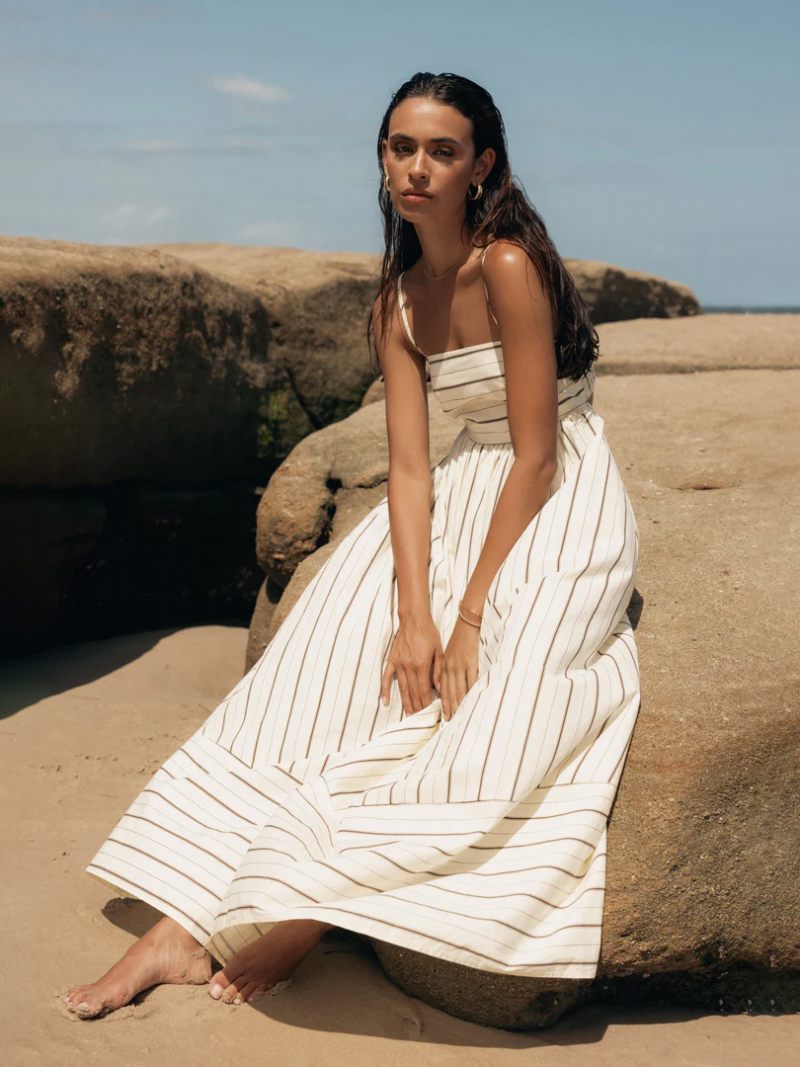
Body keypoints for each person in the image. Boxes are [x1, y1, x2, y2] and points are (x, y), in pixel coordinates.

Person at [63, 71, 640, 1020]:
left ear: (481, 166)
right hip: (458, 486)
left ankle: (304, 909)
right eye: (400, 147)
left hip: (555, 493)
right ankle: (181, 923)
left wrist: (465, 614)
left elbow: (537, 457)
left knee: (494, 676)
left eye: (441, 151)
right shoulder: (397, 301)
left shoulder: (506, 266)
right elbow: (409, 471)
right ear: (383, 157)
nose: (417, 167)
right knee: (332, 650)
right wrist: (413, 612)